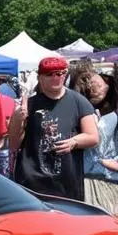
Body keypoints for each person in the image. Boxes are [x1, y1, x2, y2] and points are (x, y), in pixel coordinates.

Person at [10, 56, 99, 200]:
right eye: (49, 74)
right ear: (40, 77)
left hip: (67, 184)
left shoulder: (79, 102)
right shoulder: (30, 104)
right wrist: (17, 118)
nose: (56, 78)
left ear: (65, 75)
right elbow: (14, 144)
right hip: (31, 183)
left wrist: (73, 142)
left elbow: (93, 137)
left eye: (59, 73)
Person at [72, 68, 118, 213]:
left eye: (98, 85)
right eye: (88, 87)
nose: (93, 90)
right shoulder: (82, 112)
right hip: (84, 180)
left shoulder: (113, 113)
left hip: (109, 180)